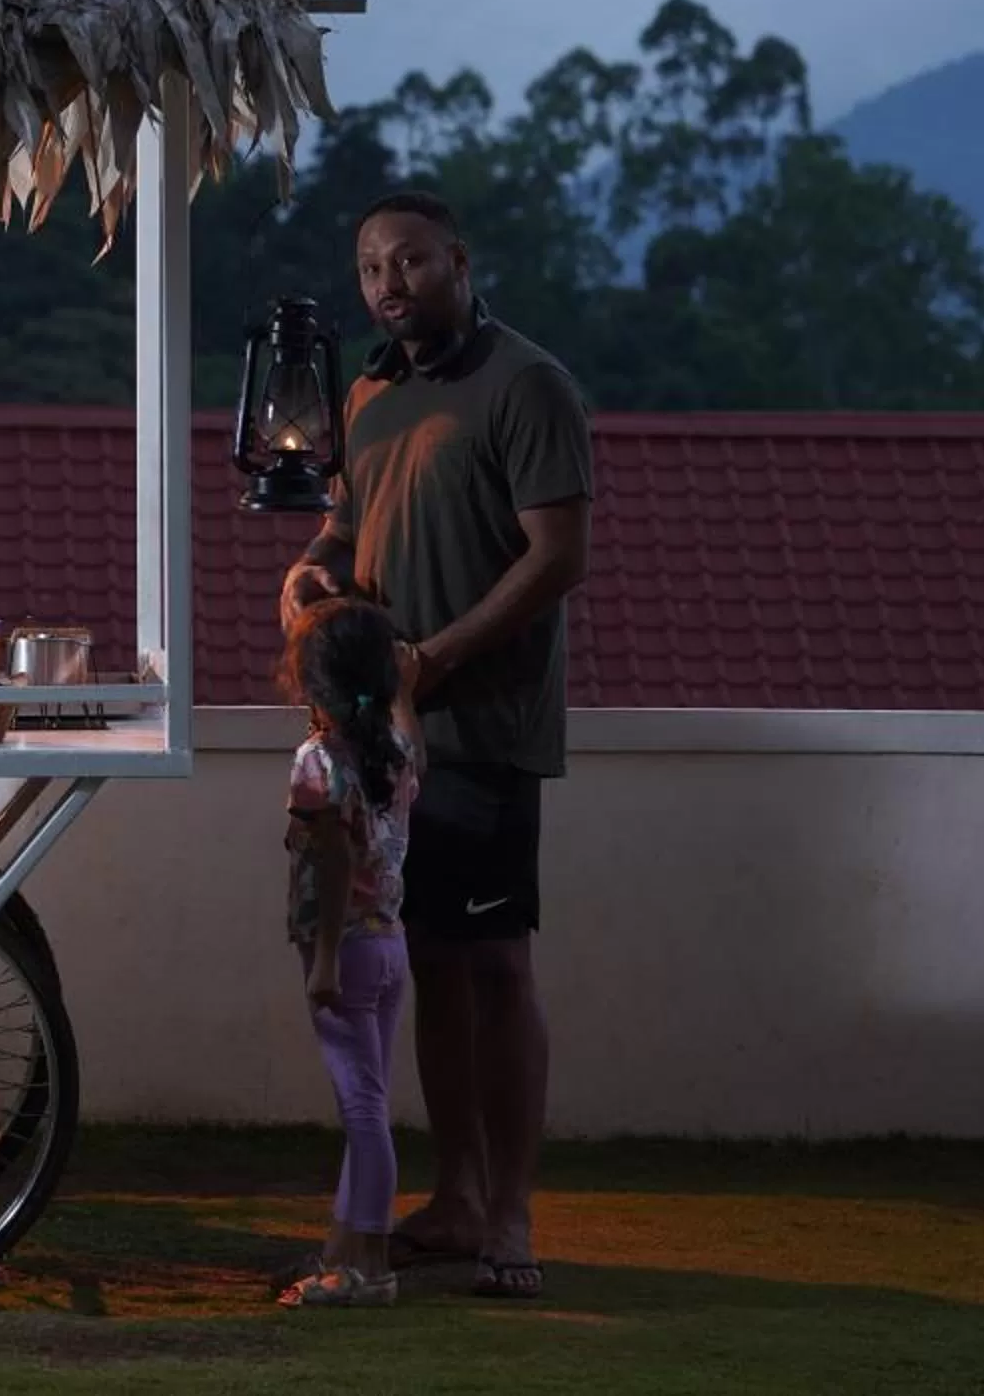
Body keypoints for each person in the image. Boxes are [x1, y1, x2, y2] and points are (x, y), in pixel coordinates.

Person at [277, 190, 593, 1304]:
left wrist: (441, 657)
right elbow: (348, 522)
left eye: (410, 261)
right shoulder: (367, 392)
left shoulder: (528, 385)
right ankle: (454, 1197)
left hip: (484, 724)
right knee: (428, 970)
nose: (388, 284)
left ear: (458, 259)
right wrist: (311, 566)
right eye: (371, 268)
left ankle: (509, 1211)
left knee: (496, 965)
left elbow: (556, 557)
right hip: (386, 731)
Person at [275, 593, 425, 1311]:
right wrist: (406, 694)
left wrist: (326, 958)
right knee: (368, 1102)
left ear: (310, 685)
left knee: (362, 1111)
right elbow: (410, 742)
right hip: (391, 945)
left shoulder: (317, 762)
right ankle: (347, 1250)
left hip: (350, 953)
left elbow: (332, 865)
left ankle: (370, 1268)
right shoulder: (390, 752)